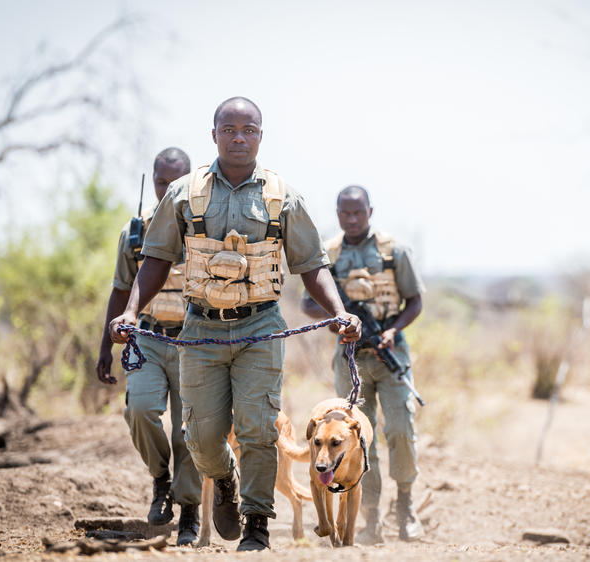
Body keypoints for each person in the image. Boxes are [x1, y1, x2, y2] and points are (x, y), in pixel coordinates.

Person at [109, 97, 361, 552]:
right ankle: (224, 478)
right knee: (201, 437)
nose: (239, 137)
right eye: (229, 129)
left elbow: (312, 264)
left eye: (249, 129)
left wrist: (339, 311)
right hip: (200, 330)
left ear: (261, 136)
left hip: (260, 328)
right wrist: (129, 312)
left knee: (258, 427)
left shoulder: (283, 196)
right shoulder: (184, 193)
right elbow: (156, 259)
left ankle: (257, 525)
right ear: (214, 135)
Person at [301, 185, 426, 544]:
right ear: (338, 213)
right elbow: (308, 303)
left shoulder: (394, 251)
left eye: (358, 212)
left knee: (401, 430)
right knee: (355, 442)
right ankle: (369, 518)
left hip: (391, 356)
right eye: (345, 213)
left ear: (370, 211)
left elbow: (415, 302)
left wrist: (392, 330)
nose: (352, 219)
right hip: (350, 357)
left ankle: (406, 508)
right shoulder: (329, 253)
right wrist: (338, 318)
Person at [95, 148, 203, 545]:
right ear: (154, 180)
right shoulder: (136, 231)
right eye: (162, 181)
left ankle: (190, 508)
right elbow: (120, 290)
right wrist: (105, 346)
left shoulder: (203, 226)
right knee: (140, 410)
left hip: (196, 339)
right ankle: (161, 480)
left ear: (191, 183)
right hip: (149, 337)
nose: (168, 189)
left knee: (190, 430)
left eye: (177, 182)